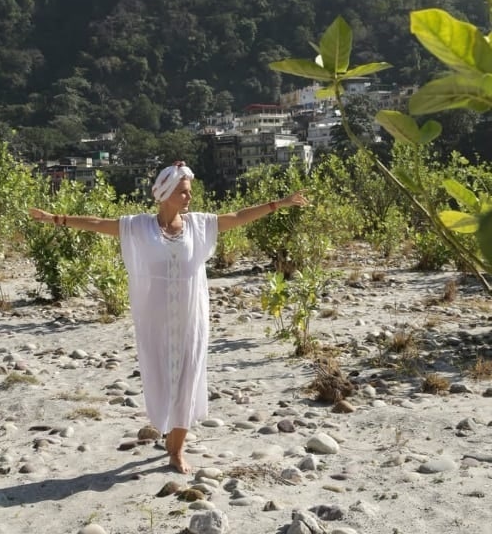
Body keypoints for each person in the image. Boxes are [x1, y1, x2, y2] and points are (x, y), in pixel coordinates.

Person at [29, 161, 307, 474]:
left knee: (187, 379)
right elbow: (96, 222)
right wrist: (55, 219)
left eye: (189, 191)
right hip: (155, 322)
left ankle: (176, 450)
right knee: (162, 378)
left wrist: (280, 204)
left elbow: (239, 217)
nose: (188, 197)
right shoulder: (139, 226)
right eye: (182, 192)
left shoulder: (199, 225)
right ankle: (165, 429)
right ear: (164, 194)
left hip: (191, 320)